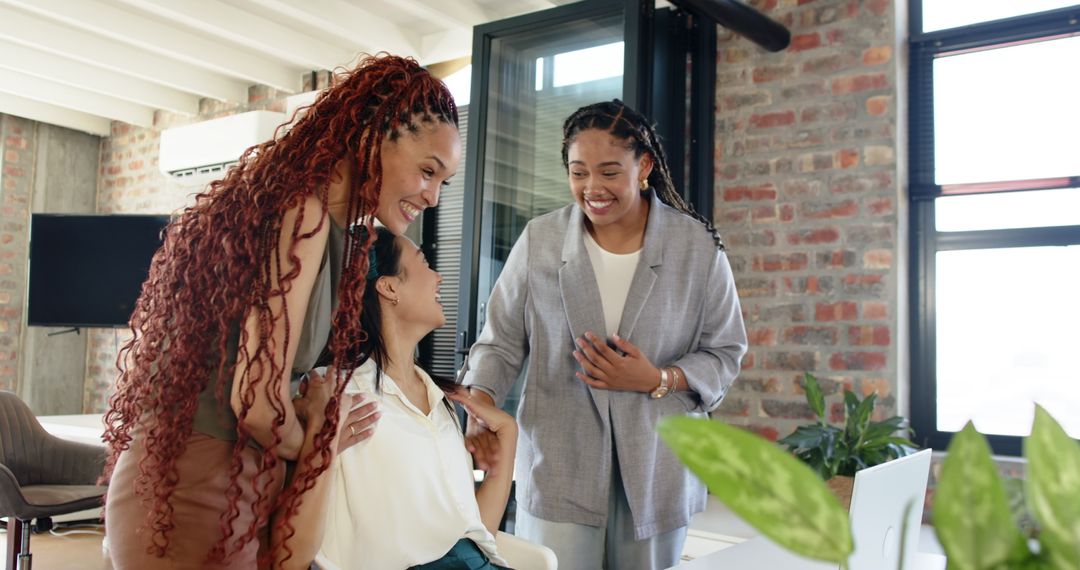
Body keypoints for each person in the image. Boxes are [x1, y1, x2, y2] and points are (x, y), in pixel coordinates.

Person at [101, 54, 461, 569]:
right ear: (372, 135)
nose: (431, 196)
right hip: (194, 486)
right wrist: (320, 436)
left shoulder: (330, 229)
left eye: (443, 182)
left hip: (240, 481)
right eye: (428, 171)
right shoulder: (304, 213)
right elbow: (258, 402)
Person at [460, 99, 748, 569]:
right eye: (579, 172)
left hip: (660, 468)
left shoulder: (696, 247)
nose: (593, 188)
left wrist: (658, 377)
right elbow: (501, 340)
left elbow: (726, 351)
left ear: (645, 166)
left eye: (610, 172)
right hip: (559, 461)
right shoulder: (541, 240)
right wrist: (481, 403)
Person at [316, 226, 516, 570]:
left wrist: (508, 434)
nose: (438, 276)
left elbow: (475, 535)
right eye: (424, 262)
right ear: (389, 286)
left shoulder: (440, 402)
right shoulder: (340, 394)